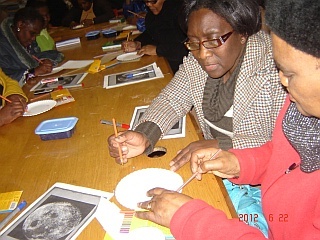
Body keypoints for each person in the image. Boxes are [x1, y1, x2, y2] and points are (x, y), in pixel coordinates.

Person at [134, 0, 320, 239]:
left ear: (242, 33)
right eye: (193, 42)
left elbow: (270, 138)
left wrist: (221, 145)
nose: (202, 53)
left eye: (213, 40)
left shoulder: (271, 68)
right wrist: (144, 133)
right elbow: (173, 97)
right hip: (243, 181)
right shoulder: (200, 57)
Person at [0, 7, 64, 86]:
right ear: (20, 25)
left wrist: (44, 60)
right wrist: (33, 72)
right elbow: (4, 79)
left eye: (36, 35)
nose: (33, 39)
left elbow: (35, 58)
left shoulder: (26, 40)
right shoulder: (2, 46)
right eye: (32, 33)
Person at [121, 0, 189, 73]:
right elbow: (151, 33)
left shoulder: (182, 12)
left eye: (153, 1)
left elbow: (187, 48)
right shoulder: (152, 15)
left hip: (184, 67)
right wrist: (138, 43)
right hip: (165, 62)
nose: (149, 5)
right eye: (146, 2)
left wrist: (158, 50)